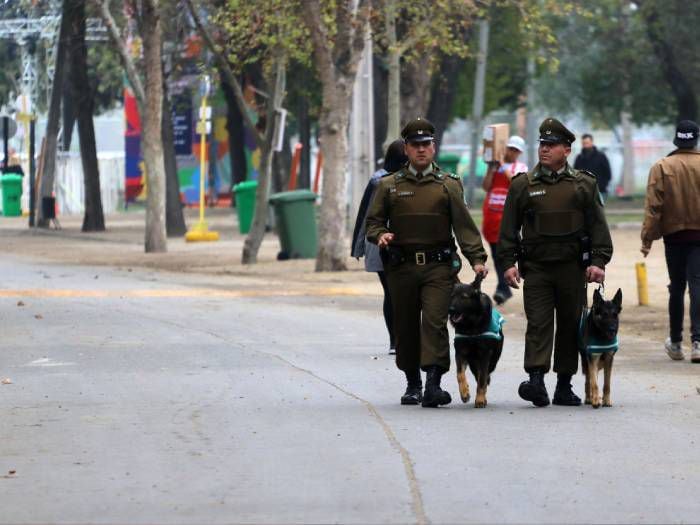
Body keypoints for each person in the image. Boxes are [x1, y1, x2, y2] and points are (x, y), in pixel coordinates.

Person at [366, 117, 488, 408]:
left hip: (438, 267)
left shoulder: (448, 186)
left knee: (434, 322)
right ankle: (412, 384)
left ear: (433, 148)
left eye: (426, 144)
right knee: (405, 325)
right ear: (406, 149)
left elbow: (464, 226)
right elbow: (373, 223)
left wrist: (477, 259)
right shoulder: (389, 186)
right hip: (402, 267)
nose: (421, 150)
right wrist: (381, 234)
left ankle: (433, 383)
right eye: (415, 145)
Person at [498, 117, 613, 407]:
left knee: (569, 324)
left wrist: (598, 261)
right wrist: (508, 263)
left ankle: (564, 384)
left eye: (551, 145)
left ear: (567, 149)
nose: (544, 149)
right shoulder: (523, 185)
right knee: (538, 323)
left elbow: (598, 227)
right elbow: (508, 229)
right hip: (536, 268)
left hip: (572, 269)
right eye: (542, 144)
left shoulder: (584, 184)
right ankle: (536, 380)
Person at [641, 120, 700, 364]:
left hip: (674, 237)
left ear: (677, 140)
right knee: (698, 285)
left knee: (676, 287)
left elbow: (653, 208)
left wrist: (647, 239)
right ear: (695, 140)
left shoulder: (662, 167)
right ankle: (698, 342)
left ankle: (676, 343)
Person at [351, 139, 408, 355]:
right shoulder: (380, 181)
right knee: (392, 292)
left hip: (401, 244)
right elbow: (366, 216)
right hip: (380, 244)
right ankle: (395, 340)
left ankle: (401, 339)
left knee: (397, 293)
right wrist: (358, 247)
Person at [481, 135, 528, 306]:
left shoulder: (521, 167)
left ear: (520, 153)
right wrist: (491, 170)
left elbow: (515, 183)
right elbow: (486, 187)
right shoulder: (495, 167)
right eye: (510, 148)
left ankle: (503, 288)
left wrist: (502, 165)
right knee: (496, 254)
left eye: (516, 150)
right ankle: (504, 288)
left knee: (503, 253)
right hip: (492, 217)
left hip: (508, 217)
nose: (512, 152)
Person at [574, 134, 612, 200]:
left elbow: (608, 173)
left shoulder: (601, 157)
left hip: (599, 190)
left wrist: (602, 185)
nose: (585, 145)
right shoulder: (579, 158)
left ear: (592, 142)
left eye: (587, 143)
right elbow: (575, 173)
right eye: (583, 143)